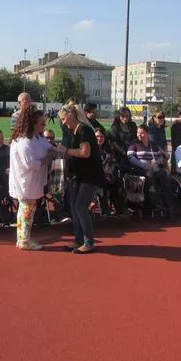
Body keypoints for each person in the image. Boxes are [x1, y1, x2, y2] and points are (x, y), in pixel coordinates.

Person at [57, 103, 105, 254]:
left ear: (71, 115)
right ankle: (78, 240)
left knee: (80, 207)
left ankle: (88, 242)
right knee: (74, 207)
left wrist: (66, 150)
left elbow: (85, 152)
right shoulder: (73, 131)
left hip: (90, 175)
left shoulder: (84, 130)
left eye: (63, 119)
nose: (62, 122)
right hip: (79, 175)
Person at [9, 106, 55, 251]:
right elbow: (30, 163)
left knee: (26, 209)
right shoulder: (24, 140)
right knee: (27, 210)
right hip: (26, 181)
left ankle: (22, 237)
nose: (43, 126)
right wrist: (46, 160)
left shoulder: (37, 137)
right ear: (32, 123)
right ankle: (24, 240)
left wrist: (58, 150)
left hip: (33, 181)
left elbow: (48, 147)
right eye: (41, 123)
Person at [126, 125, 175, 213]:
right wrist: (144, 165)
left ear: (147, 133)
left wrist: (156, 162)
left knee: (164, 175)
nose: (139, 135)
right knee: (150, 175)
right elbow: (130, 157)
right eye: (138, 133)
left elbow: (160, 156)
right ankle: (155, 203)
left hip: (153, 167)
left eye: (142, 133)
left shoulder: (153, 144)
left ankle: (168, 203)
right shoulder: (134, 144)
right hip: (140, 169)